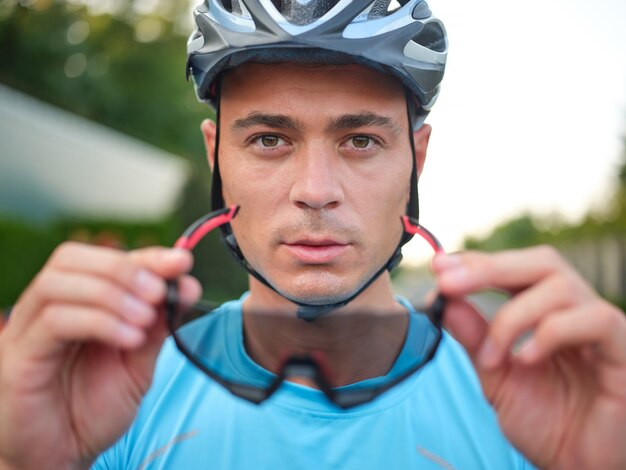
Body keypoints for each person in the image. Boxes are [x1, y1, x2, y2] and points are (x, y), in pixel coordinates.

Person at [1, 1, 625, 468]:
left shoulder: (535, 401)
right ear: (216, 157)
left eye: (361, 140)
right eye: (269, 140)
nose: (315, 189)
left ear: (418, 158)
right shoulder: (112, 389)